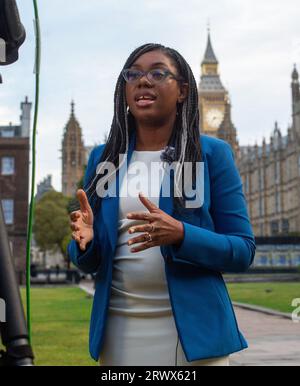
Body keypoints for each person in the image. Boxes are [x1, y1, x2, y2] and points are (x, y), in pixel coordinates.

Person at [67, 43, 256, 366]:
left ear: (182, 90)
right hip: (119, 333)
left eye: (158, 72)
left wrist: (182, 234)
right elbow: (90, 260)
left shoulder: (211, 154)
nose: (143, 80)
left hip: (195, 337)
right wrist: (86, 243)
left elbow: (242, 250)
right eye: (134, 74)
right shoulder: (104, 159)